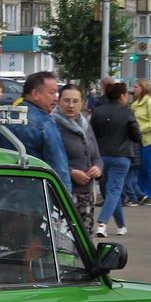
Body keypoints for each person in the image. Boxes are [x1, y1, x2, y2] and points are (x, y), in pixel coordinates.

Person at [0, 70, 72, 191]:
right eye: (52, 92)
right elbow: (59, 169)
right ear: (35, 94)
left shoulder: (1, 118)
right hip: (34, 198)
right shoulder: (46, 124)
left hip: (1, 194)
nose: (56, 98)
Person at [90, 81, 142, 238]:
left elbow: (91, 134)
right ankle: (102, 223)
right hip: (121, 157)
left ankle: (121, 225)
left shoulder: (98, 112)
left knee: (109, 192)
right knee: (114, 192)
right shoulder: (127, 113)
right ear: (122, 96)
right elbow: (136, 135)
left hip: (102, 157)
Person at [53, 84, 103, 234]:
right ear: (58, 101)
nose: (70, 105)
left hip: (86, 194)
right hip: (64, 192)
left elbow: (97, 157)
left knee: (85, 238)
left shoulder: (86, 125)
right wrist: (71, 172)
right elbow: (48, 160)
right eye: (66, 100)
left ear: (82, 103)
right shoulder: (52, 125)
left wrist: (98, 168)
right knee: (65, 238)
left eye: (75, 101)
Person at [131, 79, 151, 204]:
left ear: (143, 88)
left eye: (136, 87)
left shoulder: (150, 102)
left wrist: (141, 129)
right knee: (139, 168)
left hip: (147, 141)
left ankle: (150, 194)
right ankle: (141, 194)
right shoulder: (136, 103)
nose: (134, 89)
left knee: (148, 168)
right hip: (136, 140)